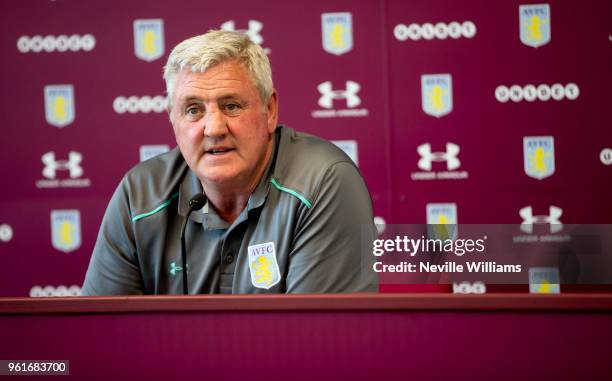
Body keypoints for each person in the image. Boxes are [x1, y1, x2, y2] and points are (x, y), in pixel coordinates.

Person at [82, 30, 377, 295]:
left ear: (270, 110)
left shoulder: (323, 181)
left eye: (231, 106)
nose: (214, 129)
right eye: (194, 110)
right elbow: (104, 336)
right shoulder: (139, 195)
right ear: (173, 119)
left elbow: (318, 339)